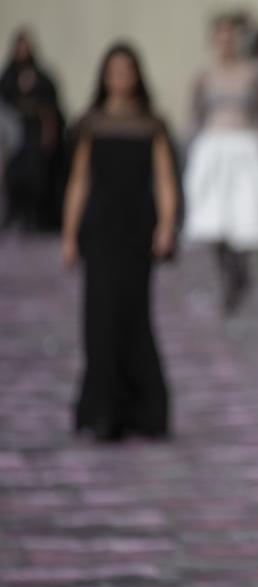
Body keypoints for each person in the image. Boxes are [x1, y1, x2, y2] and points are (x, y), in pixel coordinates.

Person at [61, 43, 177, 442]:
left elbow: (163, 179)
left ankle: (142, 411)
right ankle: (102, 411)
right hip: (101, 229)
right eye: (114, 70)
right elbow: (79, 181)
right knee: (99, 316)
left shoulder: (152, 125)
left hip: (136, 229)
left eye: (127, 70)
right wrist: (69, 234)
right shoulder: (91, 124)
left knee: (135, 313)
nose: (121, 77)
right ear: (104, 75)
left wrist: (166, 225)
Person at [183, 14, 258, 314]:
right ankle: (225, 276)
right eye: (221, 36)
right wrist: (194, 148)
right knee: (212, 219)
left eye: (231, 36)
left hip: (245, 144)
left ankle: (239, 272)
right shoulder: (204, 75)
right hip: (214, 146)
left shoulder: (254, 73)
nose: (226, 42)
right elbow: (194, 115)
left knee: (244, 215)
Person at [0, 29, 65, 231]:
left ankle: (35, 217)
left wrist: (49, 135)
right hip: (12, 136)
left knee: (36, 177)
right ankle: (14, 214)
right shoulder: (7, 77)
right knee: (13, 177)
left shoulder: (43, 78)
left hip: (35, 136)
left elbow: (50, 112)